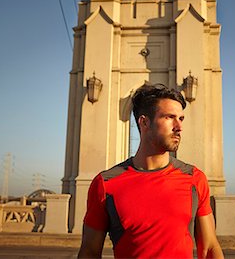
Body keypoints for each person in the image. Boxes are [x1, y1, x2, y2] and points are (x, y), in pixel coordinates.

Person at [78, 84, 224, 259]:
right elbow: (90, 252)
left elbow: (209, 248)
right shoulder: (105, 183)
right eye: (170, 117)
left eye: (181, 118)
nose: (179, 126)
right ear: (144, 122)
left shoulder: (195, 178)